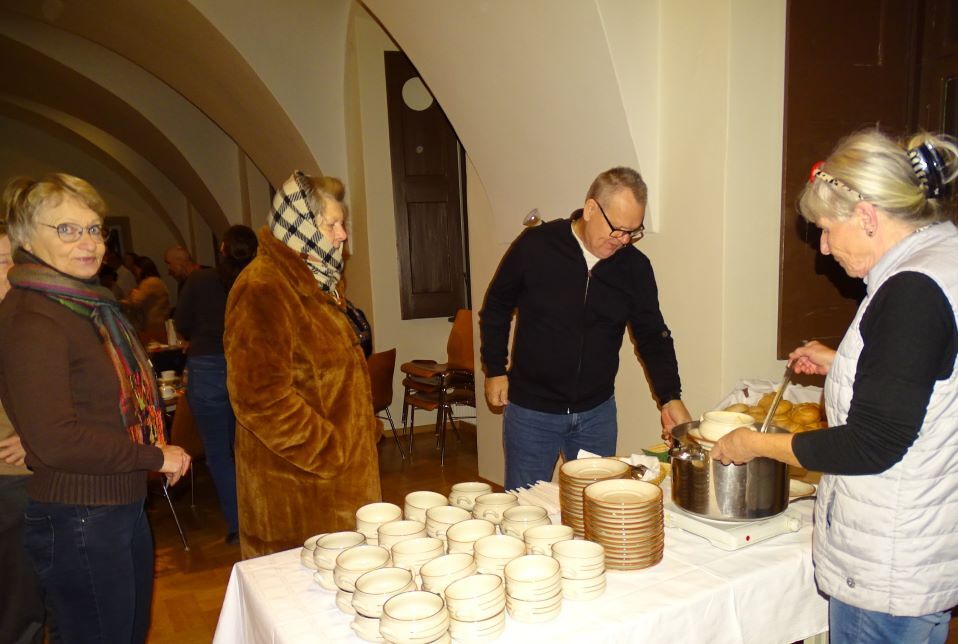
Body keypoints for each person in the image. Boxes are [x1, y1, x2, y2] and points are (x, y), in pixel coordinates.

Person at [711, 129, 958, 643]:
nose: (823, 248)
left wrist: (757, 443)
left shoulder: (910, 292)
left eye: (826, 229)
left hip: (887, 565)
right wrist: (844, 359)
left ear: (866, 217)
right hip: (921, 540)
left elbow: (871, 444)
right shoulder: (942, 258)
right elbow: (924, 374)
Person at [0, 173, 191, 643]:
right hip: (80, 515)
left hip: (113, 503)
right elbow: (57, 440)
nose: (88, 243)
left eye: (93, 229)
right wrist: (155, 456)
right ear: (26, 238)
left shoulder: (82, 306)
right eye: (66, 229)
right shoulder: (33, 317)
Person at [480, 166, 691, 490]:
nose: (623, 240)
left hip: (596, 415)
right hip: (532, 413)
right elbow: (496, 305)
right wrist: (495, 368)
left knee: (594, 508)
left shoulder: (634, 267)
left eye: (633, 232)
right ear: (591, 209)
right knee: (525, 508)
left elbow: (653, 335)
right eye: (618, 229)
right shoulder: (536, 246)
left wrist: (670, 396)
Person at [224, 171, 381, 558]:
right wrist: (332, 450)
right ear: (298, 226)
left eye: (342, 224)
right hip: (299, 493)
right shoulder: (263, 288)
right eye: (331, 225)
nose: (342, 235)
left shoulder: (320, 283)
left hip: (336, 485)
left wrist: (362, 429)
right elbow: (259, 399)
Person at [174, 225, 257, 545]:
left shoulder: (200, 281)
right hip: (246, 366)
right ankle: (259, 516)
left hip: (207, 367)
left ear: (222, 249)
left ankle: (238, 526)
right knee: (247, 449)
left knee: (219, 454)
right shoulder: (256, 281)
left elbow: (182, 323)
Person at [0, 222, 44, 644]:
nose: (11, 270)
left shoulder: (24, 318)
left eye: (14, 259)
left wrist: (35, 438)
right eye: (1, 261)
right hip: (9, 481)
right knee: (20, 605)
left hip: (40, 474)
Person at [124, 254, 171, 345]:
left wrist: (131, 293)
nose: (133, 273)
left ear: (140, 269)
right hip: (159, 324)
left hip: (153, 327)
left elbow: (135, 301)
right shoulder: (157, 281)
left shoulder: (149, 283)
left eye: (135, 270)